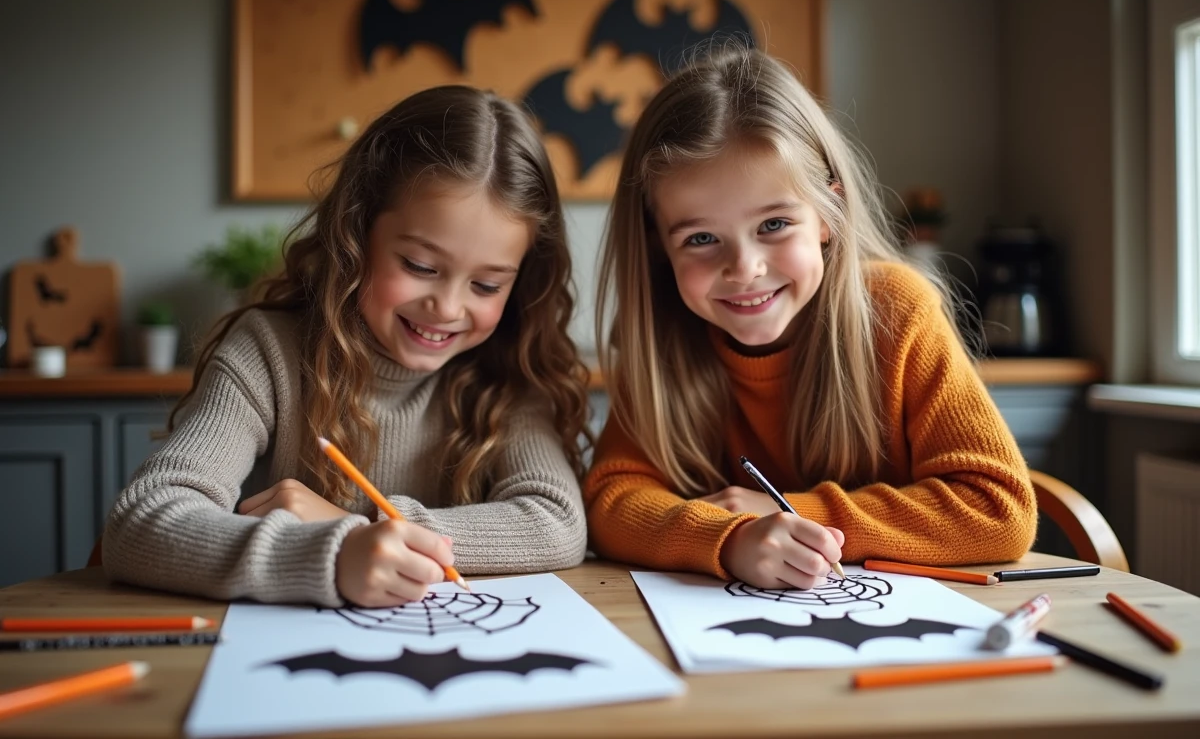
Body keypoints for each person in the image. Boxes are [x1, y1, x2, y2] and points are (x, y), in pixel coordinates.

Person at [104, 86, 591, 606]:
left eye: (487, 285)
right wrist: (333, 554)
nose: (448, 307)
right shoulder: (268, 353)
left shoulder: (508, 371)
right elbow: (143, 519)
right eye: (420, 267)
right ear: (356, 234)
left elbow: (557, 523)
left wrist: (364, 525)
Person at [585, 45, 1036, 590]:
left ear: (827, 216)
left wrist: (799, 517)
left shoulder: (897, 311)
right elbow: (614, 500)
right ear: (658, 244)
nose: (744, 268)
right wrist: (726, 538)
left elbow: (998, 508)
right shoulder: (663, 337)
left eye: (774, 224)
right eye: (701, 238)